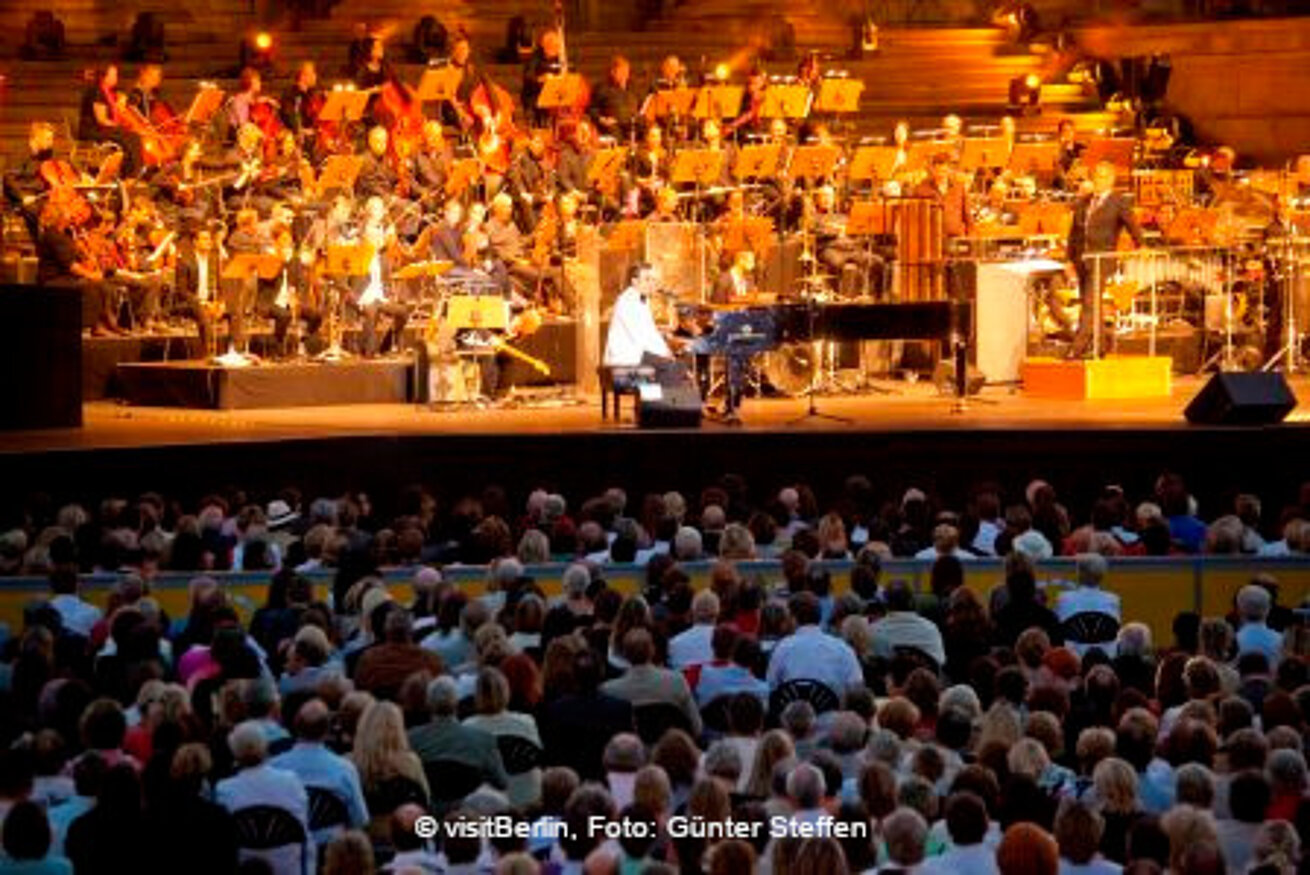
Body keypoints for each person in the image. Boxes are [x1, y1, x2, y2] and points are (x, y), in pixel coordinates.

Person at [1065, 161, 1144, 358]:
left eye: (1101, 176)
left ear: (1110, 179)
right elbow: (1074, 232)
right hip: (1081, 258)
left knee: (1091, 303)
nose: (1096, 180)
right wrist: (1069, 259)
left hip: (1102, 260)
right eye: (1095, 176)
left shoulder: (1118, 202)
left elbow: (1132, 225)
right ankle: (1101, 346)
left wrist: (1141, 244)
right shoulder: (1084, 202)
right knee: (1089, 304)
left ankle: (1076, 348)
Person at [78, 65, 144, 177]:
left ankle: (130, 171)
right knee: (131, 137)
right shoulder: (96, 91)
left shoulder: (107, 91)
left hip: (101, 128)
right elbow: (101, 120)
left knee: (131, 136)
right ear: (104, 77)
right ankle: (132, 174)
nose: (116, 78)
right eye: (113, 75)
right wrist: (119, 126)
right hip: (92, 130)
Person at [603, 262, 672, 368]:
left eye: (654, 280)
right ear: (634, 281)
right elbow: (643, 336)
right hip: (623, 364)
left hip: (635, 359)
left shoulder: (641, 300)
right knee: (675, 371)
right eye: (647, 279)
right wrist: (665, 353)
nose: (652, 284)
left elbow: (650, 332)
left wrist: (666, 350)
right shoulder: (628, 302)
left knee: (677, 369)